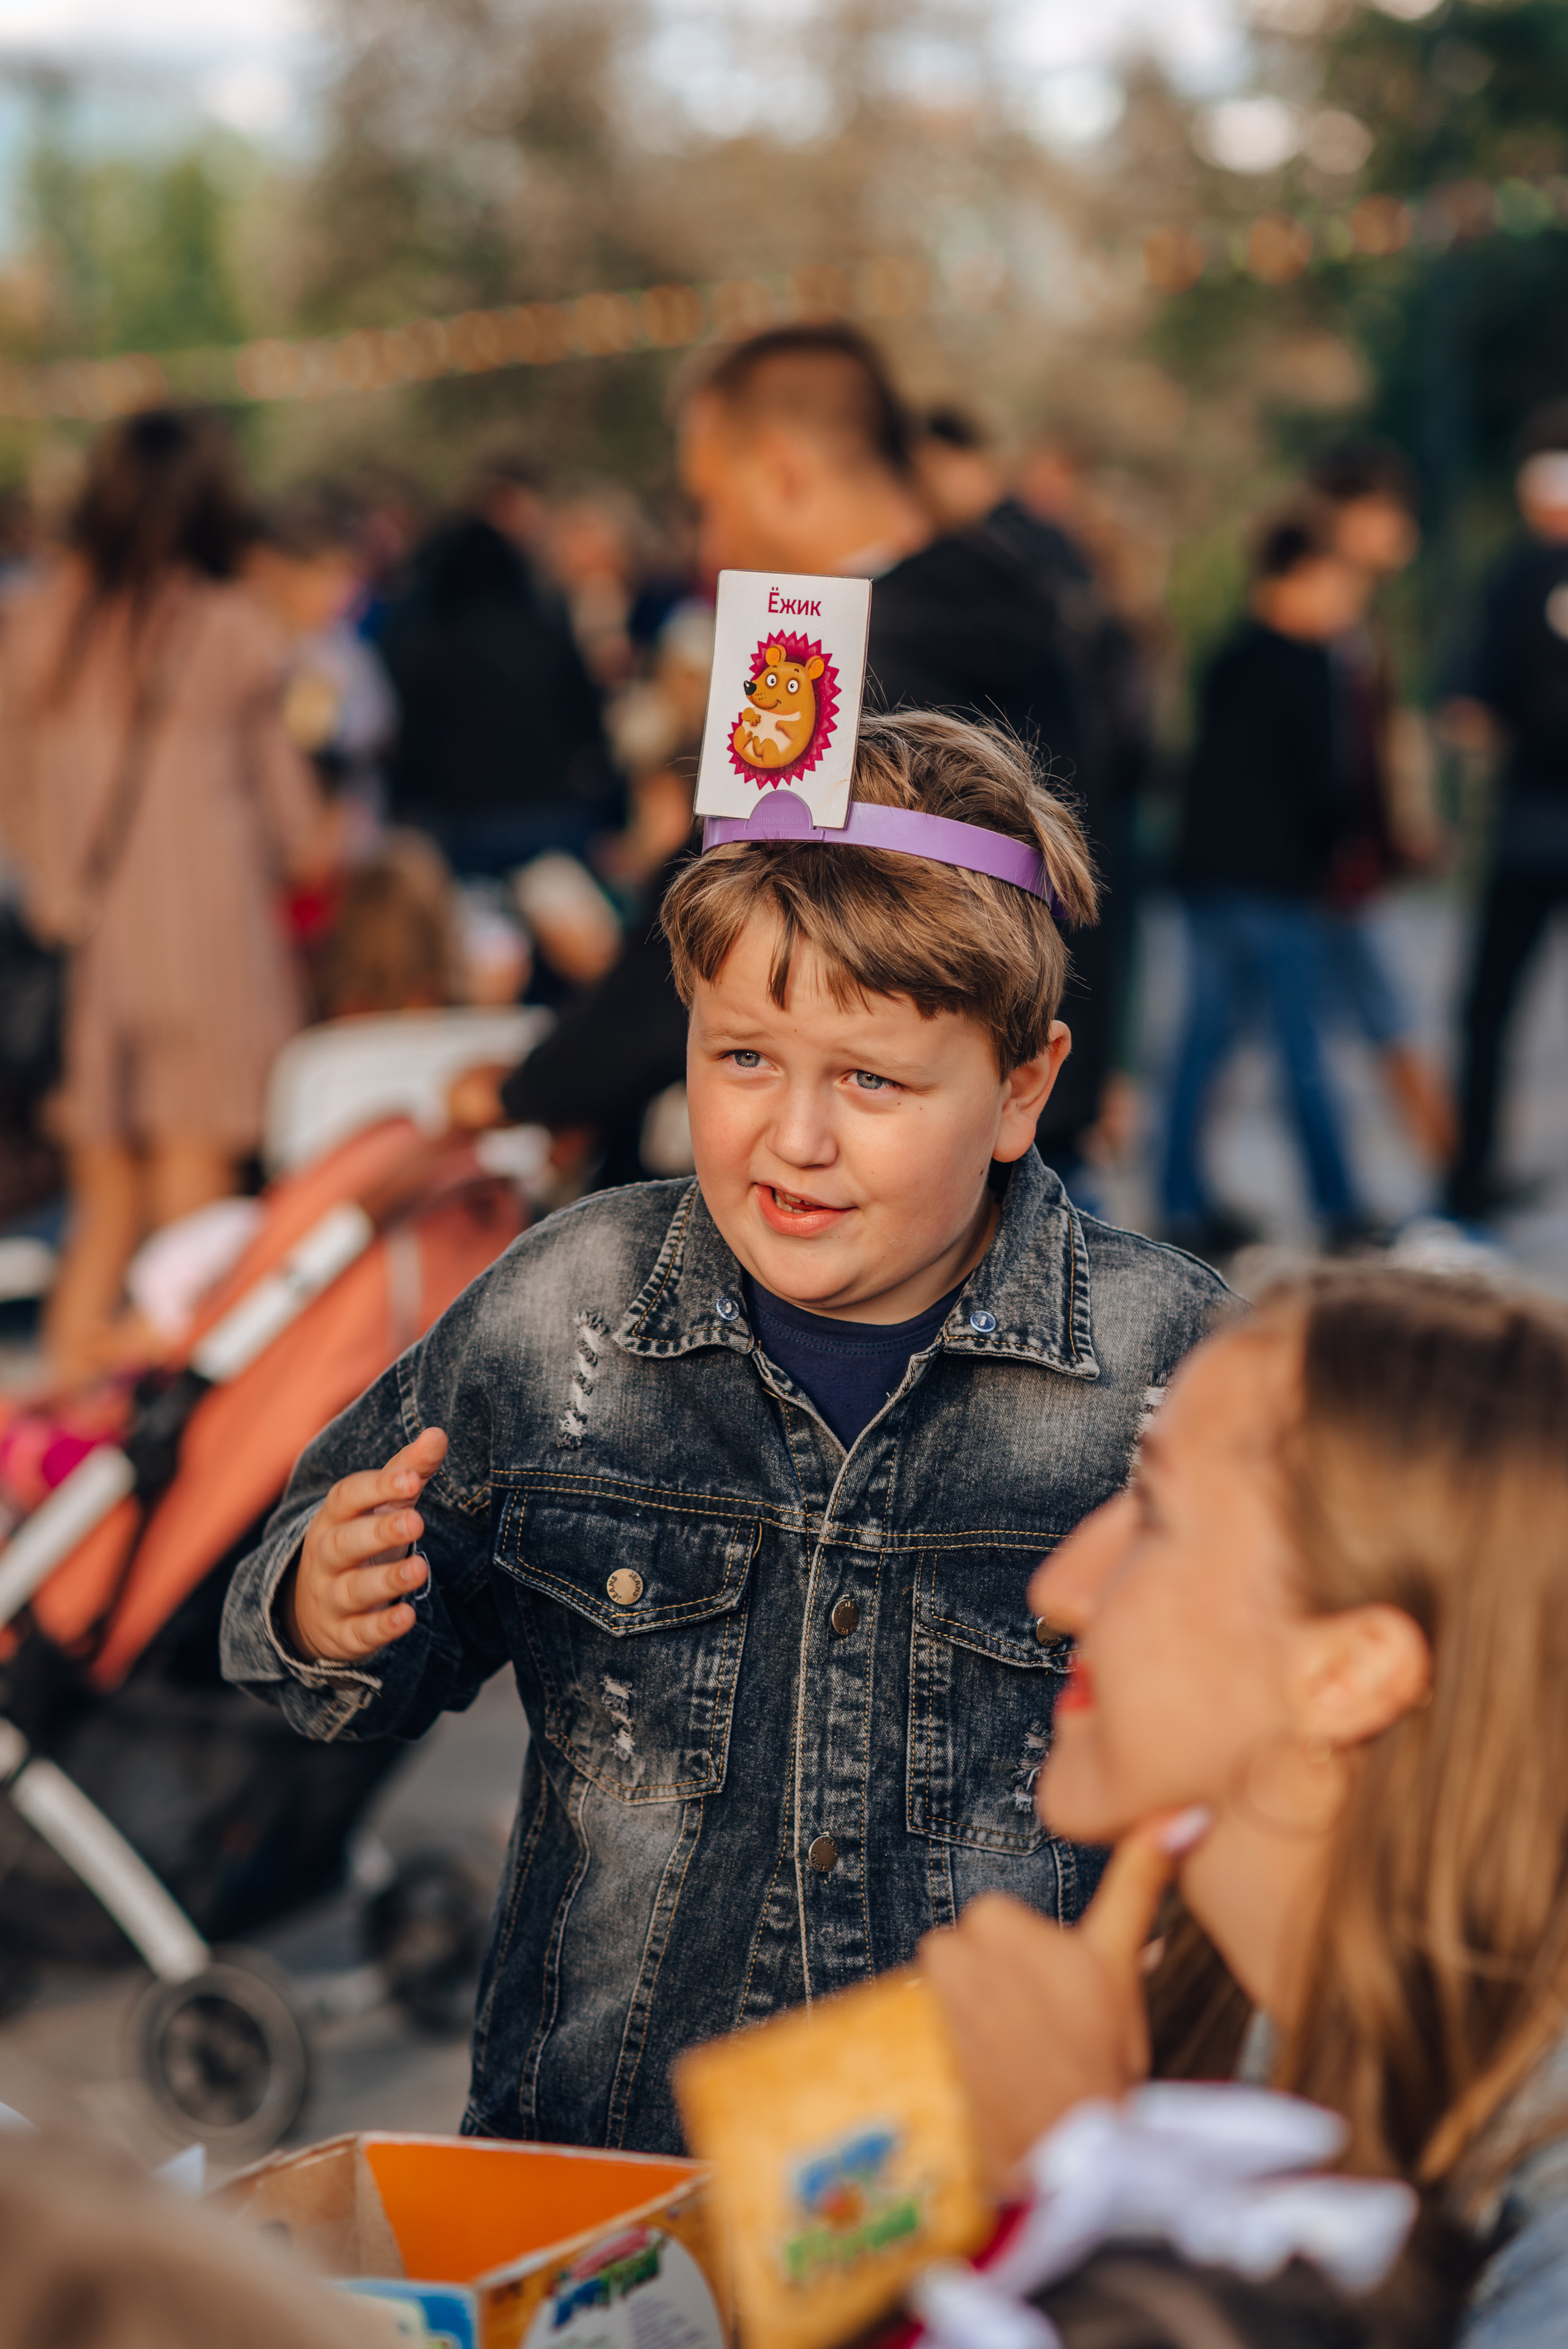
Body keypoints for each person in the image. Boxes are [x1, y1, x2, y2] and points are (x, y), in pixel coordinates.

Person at [222, 710, 1227, 2156]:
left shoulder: (1171, 1372)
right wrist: (325, 1605)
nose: (792, 1137)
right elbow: (311, 1623)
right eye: (741, 1057)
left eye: (870, 1080)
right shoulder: (565, 1308)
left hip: (998, 2191)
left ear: (1020, 1085)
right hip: (608, 2186)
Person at [920, 1265, 1568, 2347]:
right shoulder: (1218, 2009)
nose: (1061, 1586)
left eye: (1159, 1515)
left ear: (1349, 1669)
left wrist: (1088, 2179)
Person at [677, 328, 1123, 1194]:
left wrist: (529, 1090)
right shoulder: (1027, 601)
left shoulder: (804, 659)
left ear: (780, 468)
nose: (708, 544)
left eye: (710, 501)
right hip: (1035, 1114)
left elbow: (727, 917)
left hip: (864, 1180)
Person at [0, 408, 331, 1377]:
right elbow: (301, 834)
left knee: (103, 1219)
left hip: (91, 964)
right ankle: (166, 1478)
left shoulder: (37, 627)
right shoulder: (228, 628)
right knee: (190, 1241)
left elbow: (20, 812)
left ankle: (50, 1471)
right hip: (207, 957)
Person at [1161, 506, 1373, 1259]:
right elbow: (1327, 784)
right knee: (1303, 1051)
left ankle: (1179, 1204)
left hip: (1210, 878)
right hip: (1279, 888)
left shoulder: (1226, 659)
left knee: (1201, 1047)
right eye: (1340, 584)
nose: (1349, 603)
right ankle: (1340, 1208)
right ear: (1298, 580)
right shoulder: (1314, 663)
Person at [1306, 441, 1455, 1171]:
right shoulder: (1321, 606)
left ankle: (1453, 1160)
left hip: (1342, 854)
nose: (1405, 533)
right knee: (1370, 1015)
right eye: (1393, 513)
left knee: (1372, 1014)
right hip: (1320, 858)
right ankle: (1456, 1167)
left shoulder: (1358, 612)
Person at [379, 448, 616, 879]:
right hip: (552, 821)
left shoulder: (430, 647)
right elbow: (589, 732)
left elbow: (413, 754)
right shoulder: (546, 636)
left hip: (465, 829)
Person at [1444, 401, 1568, 1221]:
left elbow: (1467, 710)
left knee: (1487, 1010)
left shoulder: (1513, 576)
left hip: (1529, 825)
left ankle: (1469, 1186)